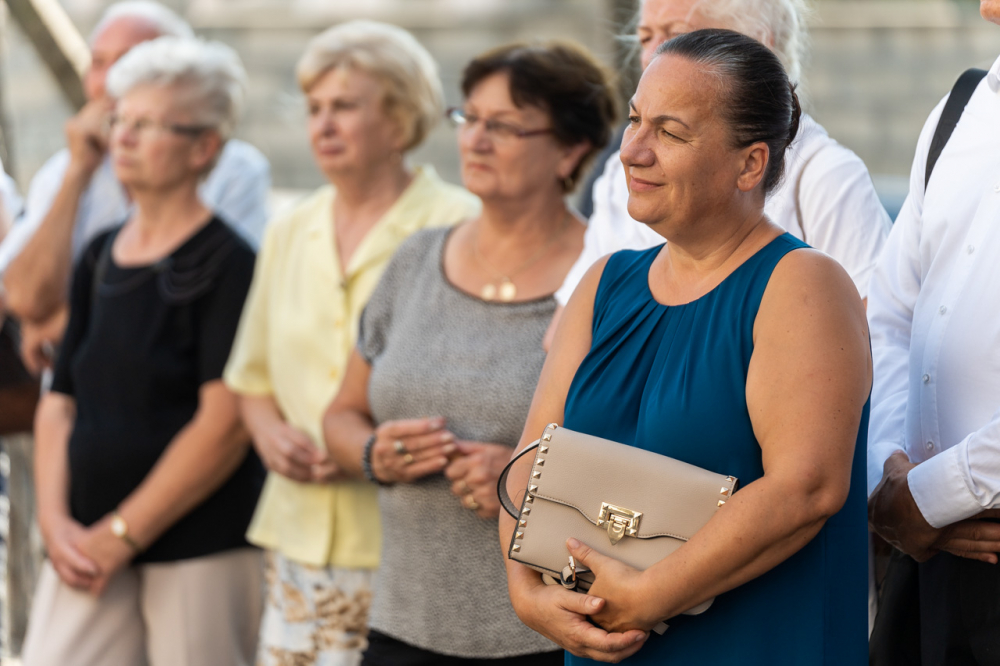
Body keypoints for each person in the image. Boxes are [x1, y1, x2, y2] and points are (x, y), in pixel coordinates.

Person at [502, 30, 871, 664]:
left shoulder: (802, 284)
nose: (632, 151)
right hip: (602, 640)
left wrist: (647, 597)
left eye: (670, 133)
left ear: (750, 164)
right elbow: (531, 458)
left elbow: (806, 488)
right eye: (634, 121)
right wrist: (526, 593)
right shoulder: (604, 284)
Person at [323, 42, 616, 665]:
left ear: (570, 151)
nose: (476, 140)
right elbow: (341, 415)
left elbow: (642, 464)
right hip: (402, 626)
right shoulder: (414, 259)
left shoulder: (608, 280)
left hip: (542, 635)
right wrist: (376, 453)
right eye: (469, 118)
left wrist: (524, 480)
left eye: (504, 126)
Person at [223, 20, 480, 665]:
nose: (323, 125)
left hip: (412, 540)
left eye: (344, 106)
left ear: (399, 120)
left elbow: (475, 382)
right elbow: (250, 377)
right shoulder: (289, 228)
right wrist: (268, 436)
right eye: (314, 108)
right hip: (297, 535)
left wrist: (362, 448)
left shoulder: (460, 224)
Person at [21, 36, 265, 666]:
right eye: (120, 119)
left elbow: (223, 423)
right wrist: (56, 522)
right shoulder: (100, 254)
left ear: (203, 147)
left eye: (148, 124)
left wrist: (123, 533)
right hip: (82, 538)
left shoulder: (231, 263)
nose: (123, 138)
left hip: (199, 546)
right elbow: (59, 403)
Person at [545, 0, 889, 348]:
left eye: (677, 37)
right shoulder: (623, 174)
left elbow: (876, 341)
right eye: (645, 37)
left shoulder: (826, 176)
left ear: (757, 43)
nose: (651, 56)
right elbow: (565, 338)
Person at [0, 0, 269, 374]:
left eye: (129, 61)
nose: (111, 81)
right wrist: (77, 175)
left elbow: (210, 304)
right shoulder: (63, 171)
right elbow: (24, 298)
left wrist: (67, 324)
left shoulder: (236, 170)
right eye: (97, 62)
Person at [866, 1, 1000, 662]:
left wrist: (928, 495)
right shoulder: (961, 108)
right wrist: (889, 474)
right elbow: (893, 312)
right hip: (925, 558)